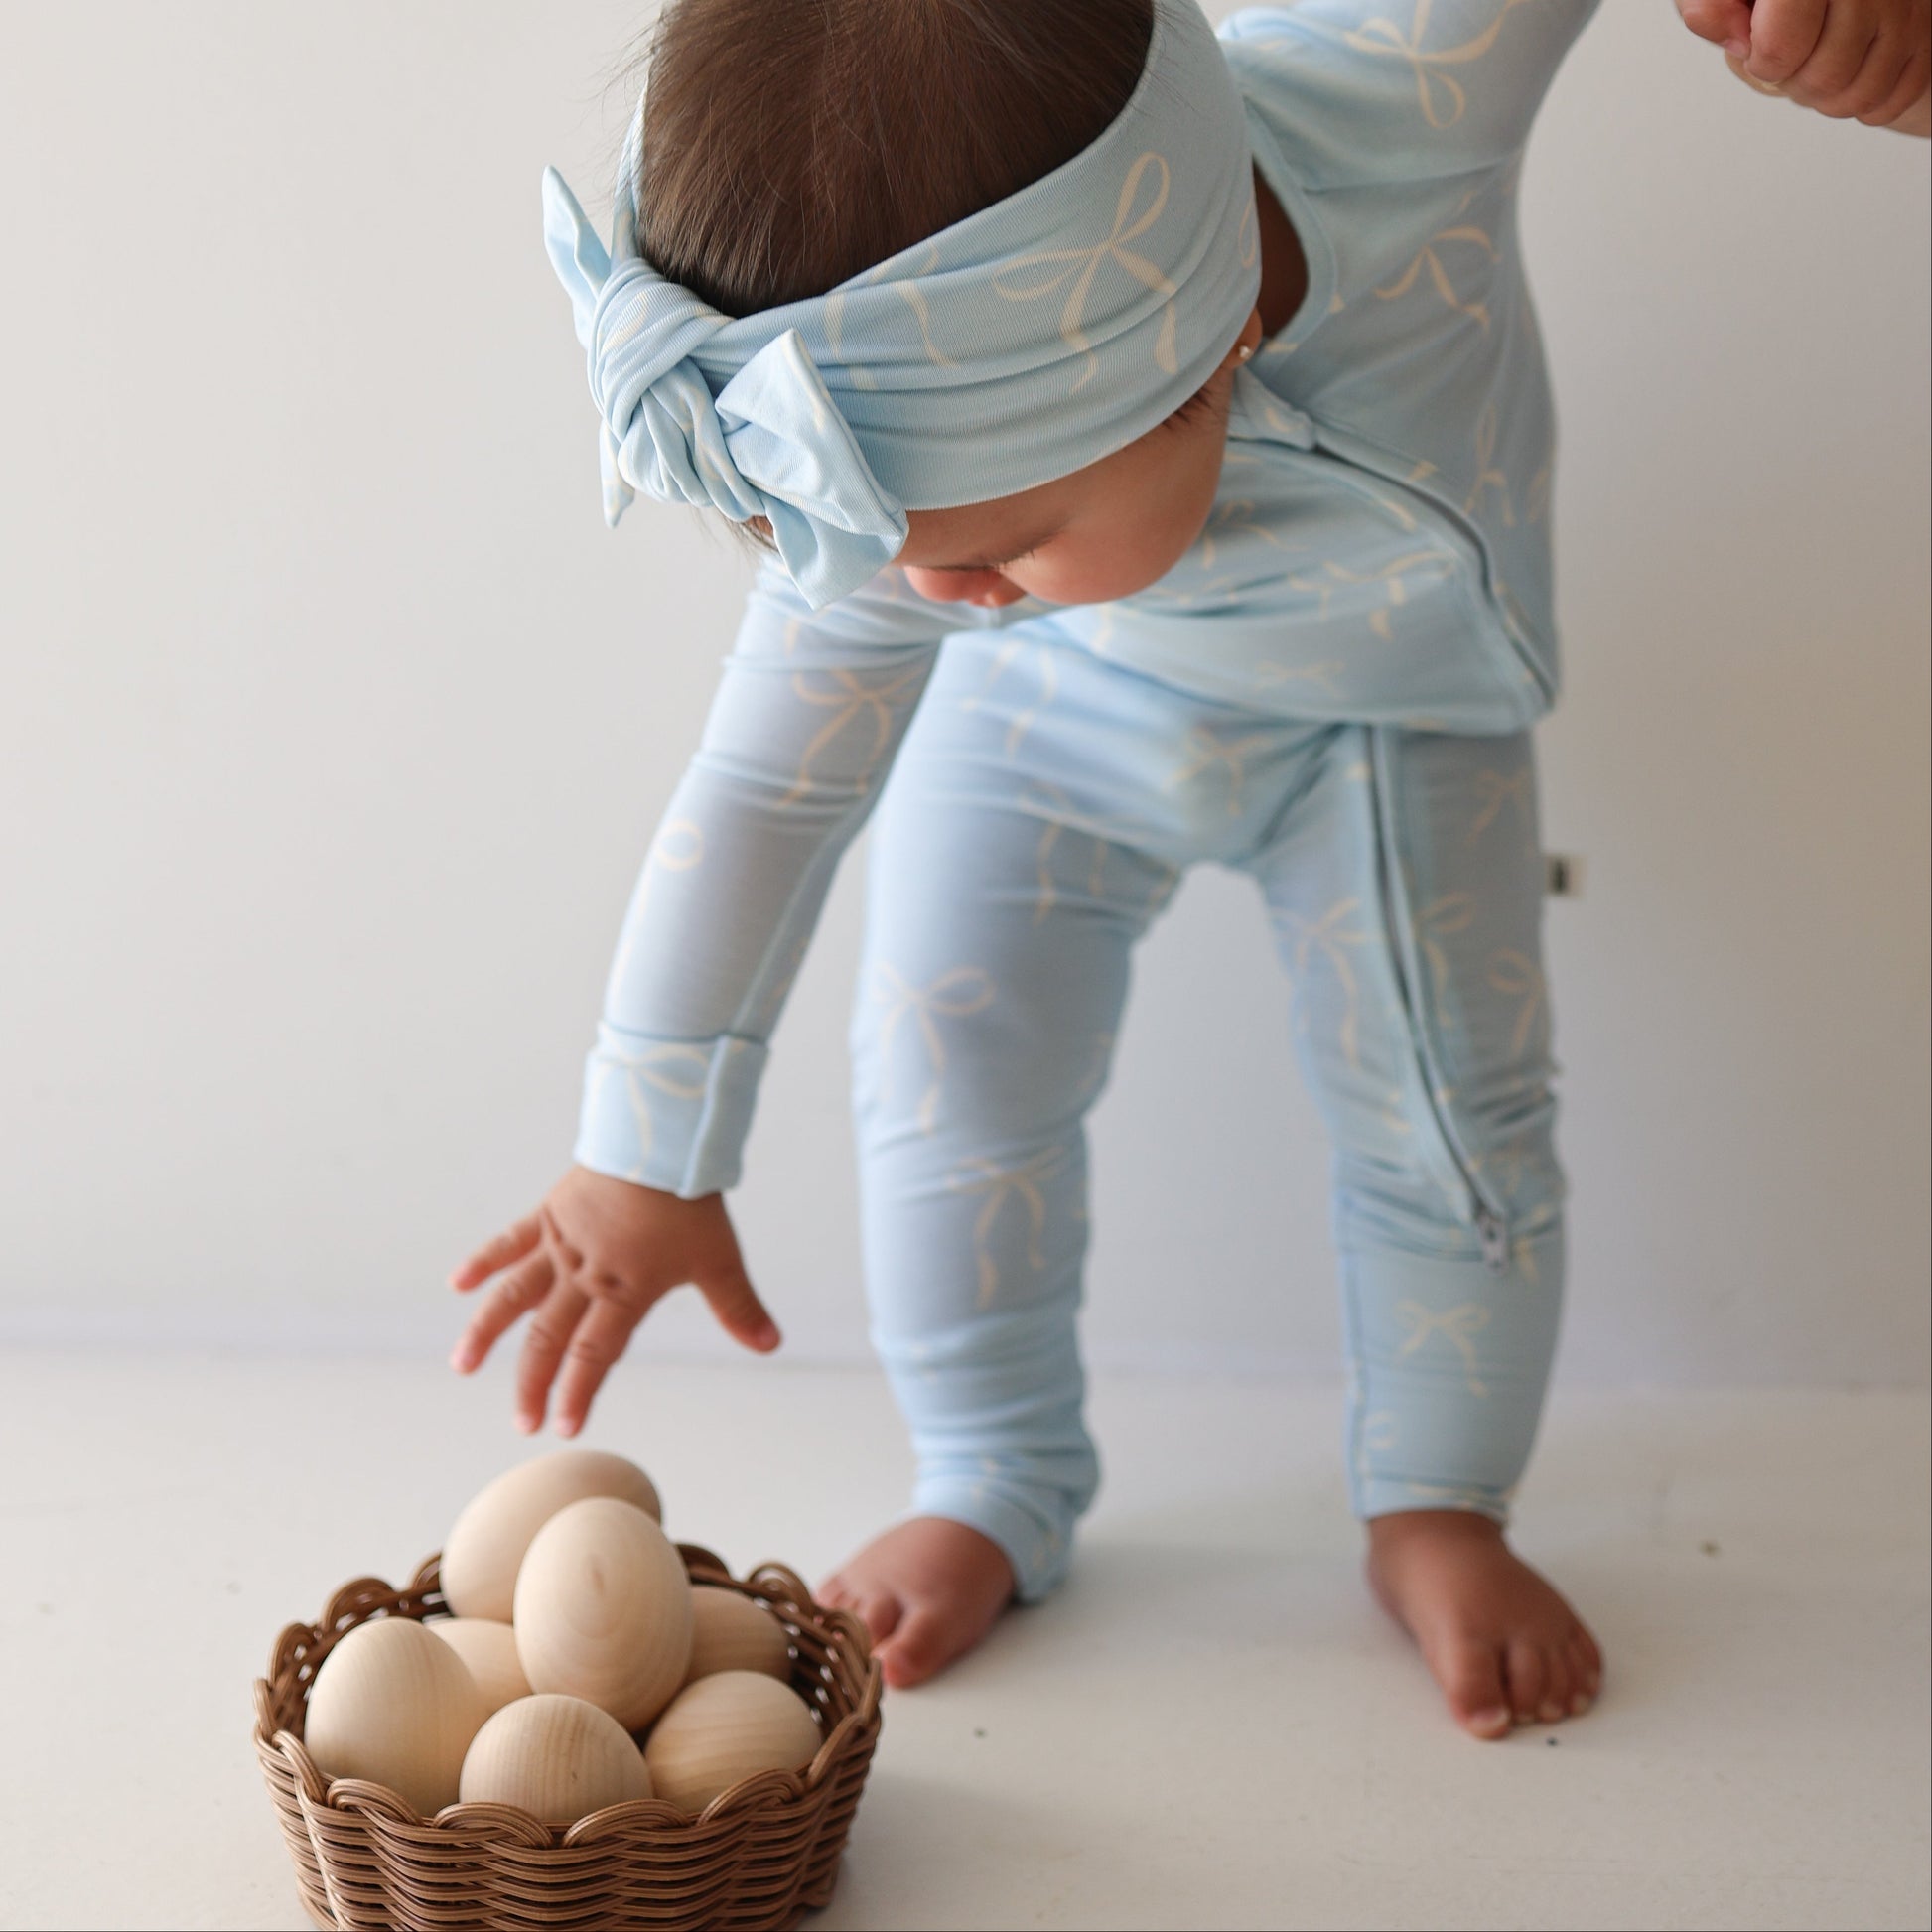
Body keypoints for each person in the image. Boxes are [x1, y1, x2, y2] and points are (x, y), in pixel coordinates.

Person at [449, 0, 1929, 1740]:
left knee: (1453, 1122)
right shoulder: (903, 527)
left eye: (996, 546)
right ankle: (992, 1472)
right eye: (899, 557)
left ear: (1209, 333)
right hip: (1047, 729)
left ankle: (1437, 1497)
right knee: (943, 1077)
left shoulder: (1399, 81)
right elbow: (761, 792)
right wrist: (646, 1154)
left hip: (1395, 715)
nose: (935, 596)